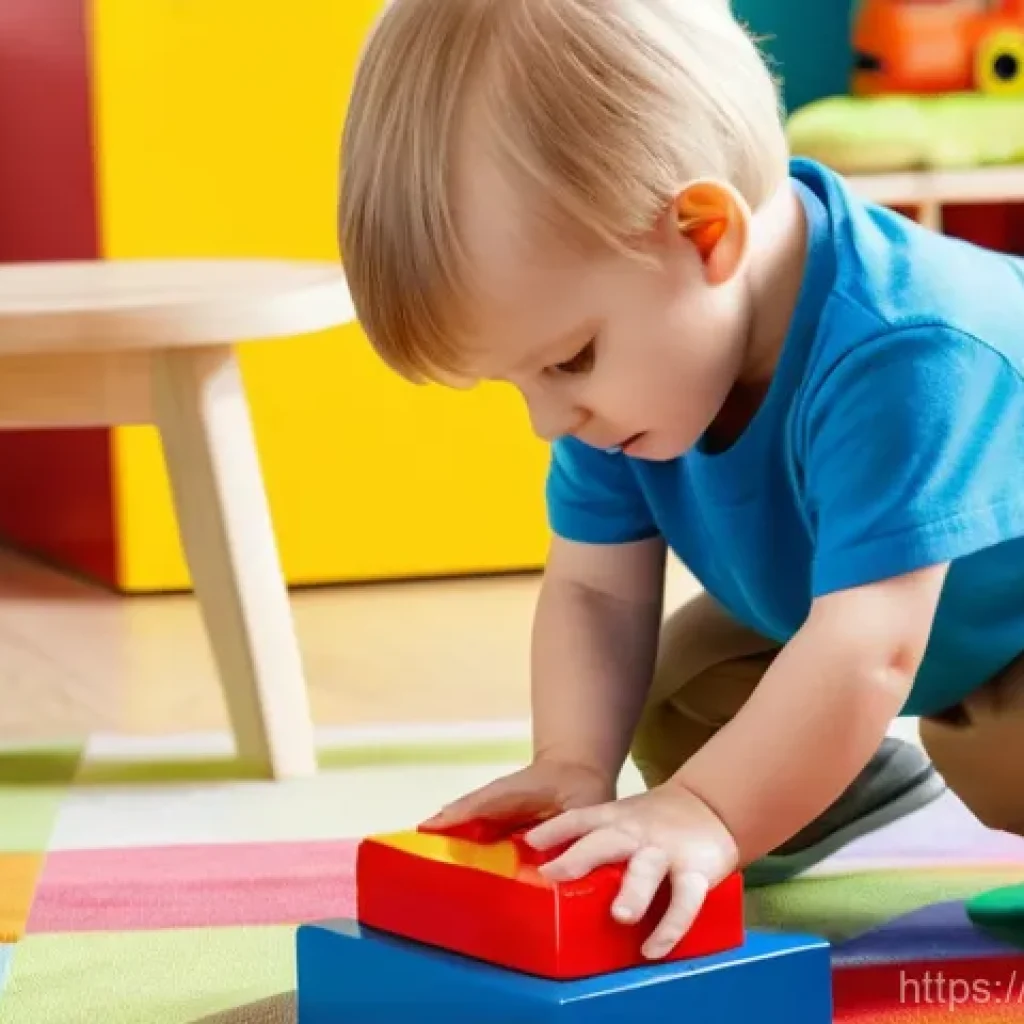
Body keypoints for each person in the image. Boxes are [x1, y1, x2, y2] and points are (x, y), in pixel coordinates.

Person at [338, 0, 1024, 961]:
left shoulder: (909, 352)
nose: (547, 418)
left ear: (706, 235)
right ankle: (832, 785)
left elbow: (871, 646)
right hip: (868, 613)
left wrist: (705, 811)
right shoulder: (629, 377)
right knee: (670, 699)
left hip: (974, 632)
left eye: (568, 360)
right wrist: (573, 764)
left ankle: (780, 788)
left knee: (999, 757)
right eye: (518, 381)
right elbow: (590, 587)